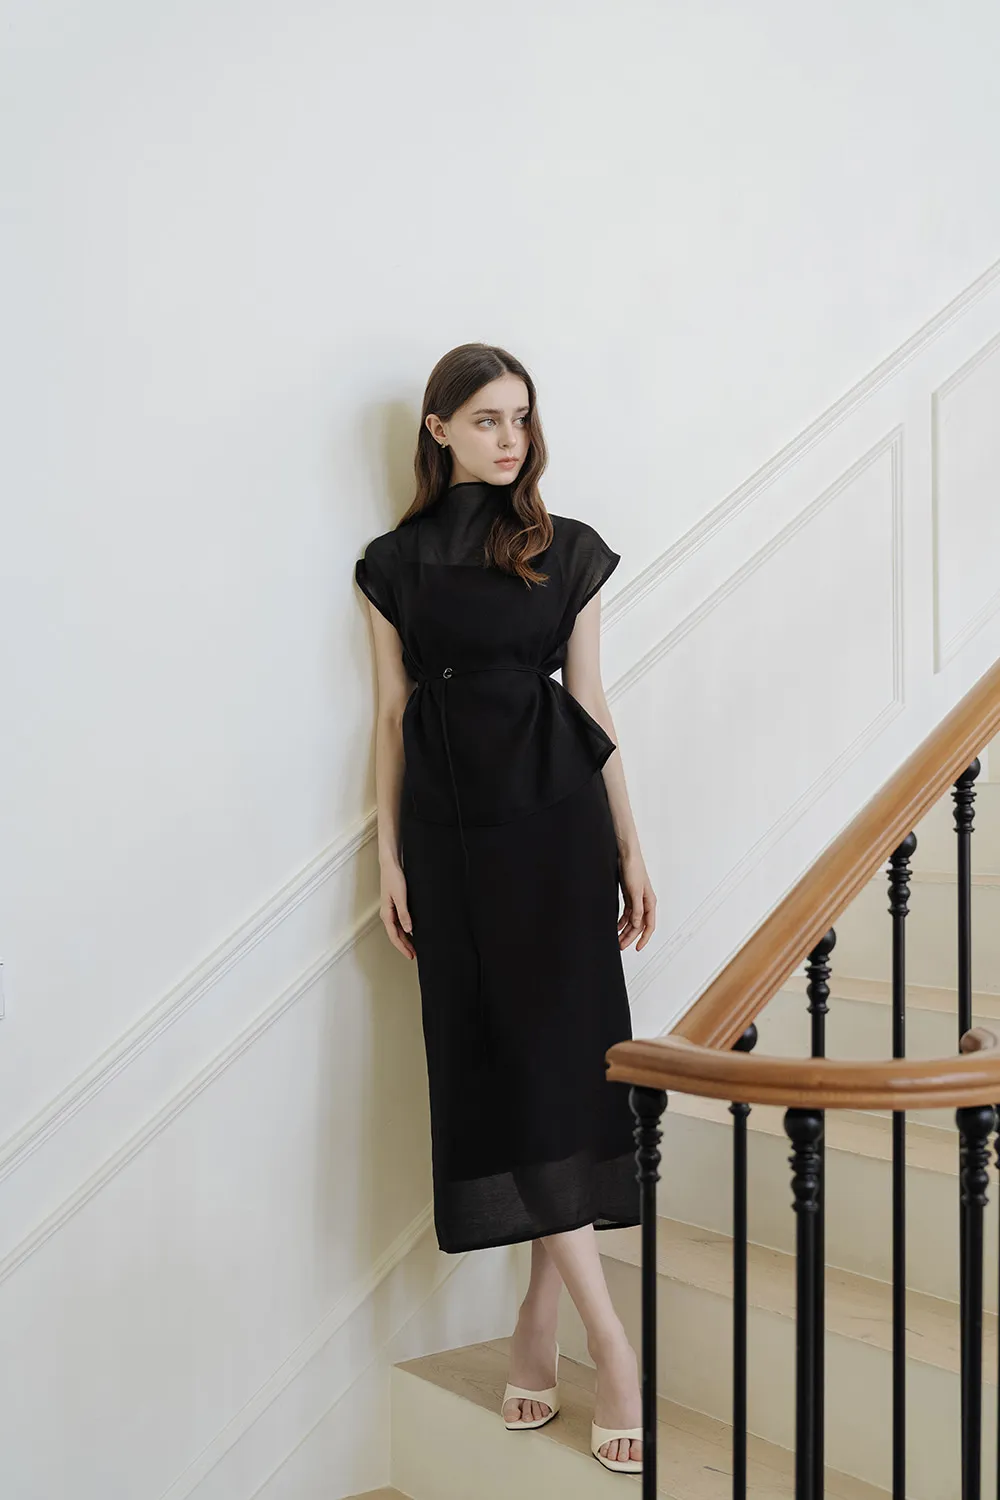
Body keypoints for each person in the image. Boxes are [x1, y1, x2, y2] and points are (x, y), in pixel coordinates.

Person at [355, 342, 656, 1473]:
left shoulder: (564, 548)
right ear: (438, 429)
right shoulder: (391, 566)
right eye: (487, 419)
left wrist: (630, 844)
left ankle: (576, 1332)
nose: (510, 439)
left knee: (559, 1067)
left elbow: (593, 700)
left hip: (557, 826)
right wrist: (388, 855)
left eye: (521, 418)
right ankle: (580, 1331)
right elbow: (390, 715)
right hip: (452, 841)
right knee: (503, 1068)